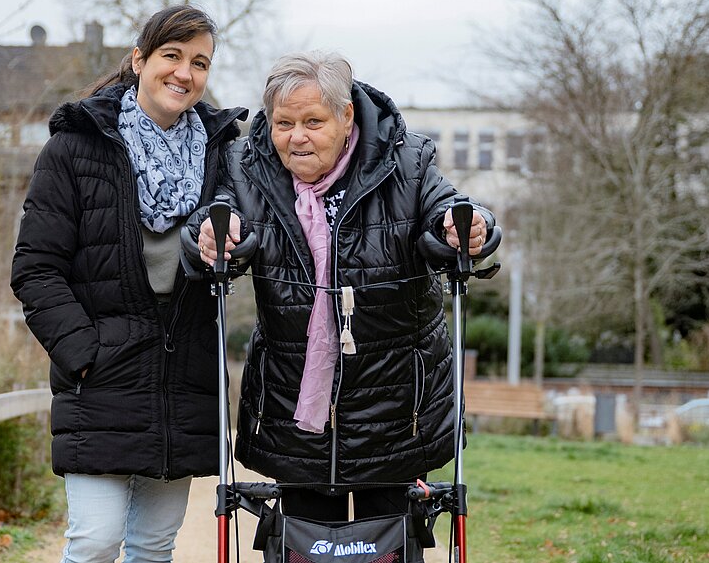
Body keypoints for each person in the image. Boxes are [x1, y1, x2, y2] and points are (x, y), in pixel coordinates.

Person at [191, 51, 495, 534]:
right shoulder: (248, 167)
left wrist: (467, 228)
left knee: (387, 544)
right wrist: (213, 234)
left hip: (396, 407)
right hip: (293, 403)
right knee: (305, 545)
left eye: (313, 122)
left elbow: (448, 210)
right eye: (284, 123)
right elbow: (221, 219)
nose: (297, 137)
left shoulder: (407, 161)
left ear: (346, 116)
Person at [11, 5, 246, 563]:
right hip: (101, 380)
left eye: (200, 63)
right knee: (94, 541)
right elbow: (35, 269)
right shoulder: (76, 147)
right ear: (139, 60)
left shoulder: (224, 156)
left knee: (153, 548)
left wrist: (234, 246)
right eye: (172, 55)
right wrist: (85, 356)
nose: (184, 73)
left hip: (183, 383)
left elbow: (243, 250)